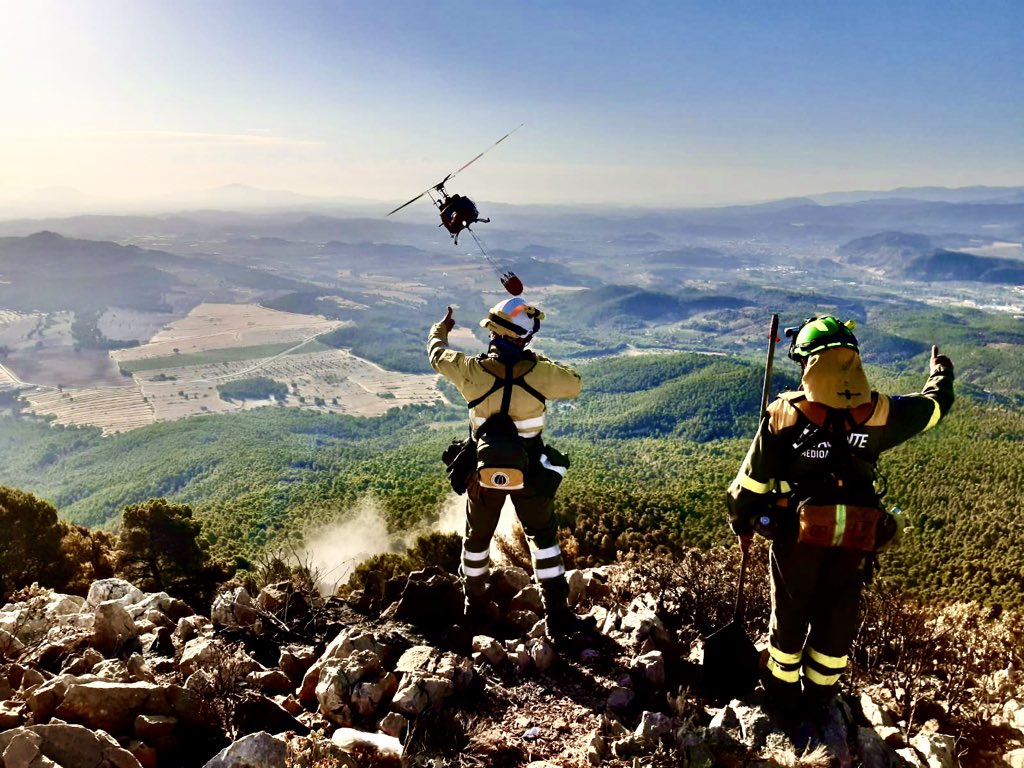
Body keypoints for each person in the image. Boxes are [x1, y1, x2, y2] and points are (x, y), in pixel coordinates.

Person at [725, 315, 954, 721]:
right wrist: (940, 373)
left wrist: (742, 523)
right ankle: (820, 698)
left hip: (797, 539)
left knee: (790, 615)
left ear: (808, 365)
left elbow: (750, 485)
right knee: (838, 614)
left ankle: (781, 696)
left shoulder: (785, 415)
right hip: (856, 539)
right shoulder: (881, 413)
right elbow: (935, 408)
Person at [428, 297, 588, 639]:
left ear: (493, 334)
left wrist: (442, 328)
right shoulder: (541, 374)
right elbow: (574, 383)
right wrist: (538, 362)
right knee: (543, 539)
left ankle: (476, 608)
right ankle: (557, 616)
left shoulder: (470, 371)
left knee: (477, 540)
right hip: (530, 472)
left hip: (482, 474)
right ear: (524, 338)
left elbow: (436, 353)